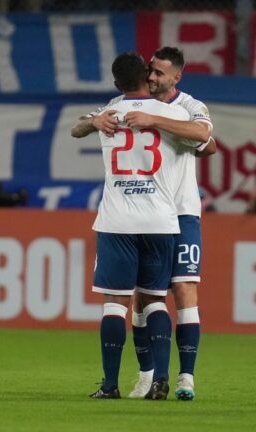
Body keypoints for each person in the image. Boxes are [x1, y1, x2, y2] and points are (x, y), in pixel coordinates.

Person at [73, 47, 214, 401]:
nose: (153, 77)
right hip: (160, 219)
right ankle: (156, 378)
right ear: (143, 76)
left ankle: (115, 384)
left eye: (159, 72)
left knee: (116, 303)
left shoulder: (115, 112)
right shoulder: (167, 113)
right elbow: (206, 143)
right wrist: (96, 121)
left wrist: (95, 121)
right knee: (152, 300)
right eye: (150, 72)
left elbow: (76, 129)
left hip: (121, 218)